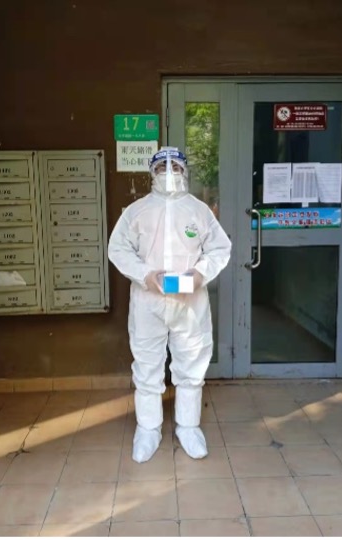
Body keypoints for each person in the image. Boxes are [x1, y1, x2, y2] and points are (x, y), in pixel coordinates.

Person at [108, 147, 231, 463]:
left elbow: (220, 248)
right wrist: (145, 275)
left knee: (191, 364)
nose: (169, 172)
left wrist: (200, 274)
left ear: (184, 171)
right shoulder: (136, 211)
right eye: (162, 167)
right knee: (147, 365)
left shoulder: (199, 211)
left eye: (175, 166)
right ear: (152, 173)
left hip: (189, 302)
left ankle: (188, 427)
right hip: (148, 301)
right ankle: (148, 429)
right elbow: (118, 249)